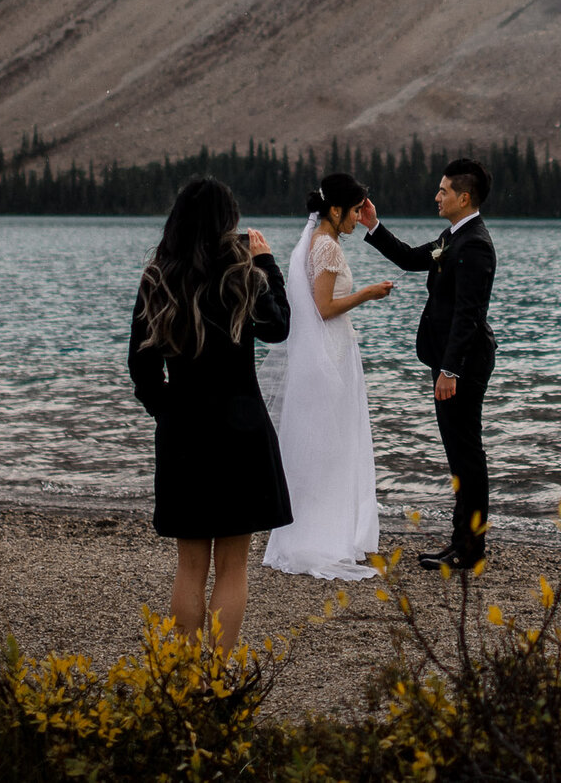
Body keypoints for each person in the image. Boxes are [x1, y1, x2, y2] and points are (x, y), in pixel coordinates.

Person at [127, 177, 292, 646]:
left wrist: (168, 412)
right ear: (227, 223)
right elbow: (279, 328)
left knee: (190, 564)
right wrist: (267, 262)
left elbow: (141, 368)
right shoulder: (244, 274)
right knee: (233, 565)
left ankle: (181, 678)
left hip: (185, 433)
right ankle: (220, 679)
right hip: (242, 430)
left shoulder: (158, 276)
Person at [364, 157, 497, 571]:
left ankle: (470, 549)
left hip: (463, 365)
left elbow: (469, 314)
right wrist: (373, 225)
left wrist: (451, 370)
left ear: (464, 196)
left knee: (466, 455)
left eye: (443, 191)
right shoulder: (453, 236)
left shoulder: (474, 244)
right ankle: (462, 543)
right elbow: (408, 258)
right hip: (448, 362)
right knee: (459, 453)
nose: (436, 196)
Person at [262, 174, 398, 581]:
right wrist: (368, 294)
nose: (358, 218)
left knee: (324, 442)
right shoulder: (326, 246)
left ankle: (318, 529)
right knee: (331, 443)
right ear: (335, 210)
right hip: (330, 353)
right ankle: (323, 536)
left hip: (328, 352)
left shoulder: (319, 241)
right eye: (355, 210)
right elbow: (322, 307)